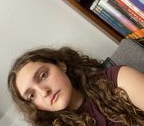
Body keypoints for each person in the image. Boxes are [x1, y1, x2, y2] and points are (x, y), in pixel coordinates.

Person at [8, 47, 144, 126]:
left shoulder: (117, 79)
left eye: (43, 75)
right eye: (32, 95)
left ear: (61, 66)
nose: (44, 92)